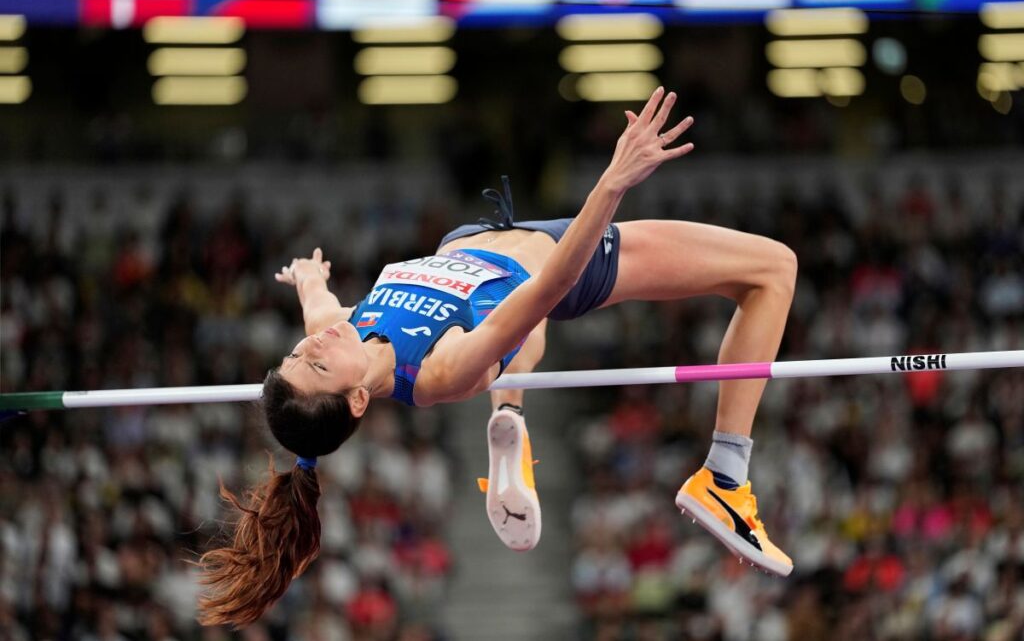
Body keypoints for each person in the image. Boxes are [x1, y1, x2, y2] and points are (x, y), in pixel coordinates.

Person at [196, 88, 797, 628]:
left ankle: (511, 420)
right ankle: (724, 476)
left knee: (513, 341)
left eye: (302, 351)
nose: (318, 345)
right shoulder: (435, 372)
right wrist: (612, 182)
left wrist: (308, 275)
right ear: (356, 400)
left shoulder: (341, 331)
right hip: (557, 260)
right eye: (318, 363)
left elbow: (317, 307)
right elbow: (545, 292)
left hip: (479, 240)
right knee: (773, 269)